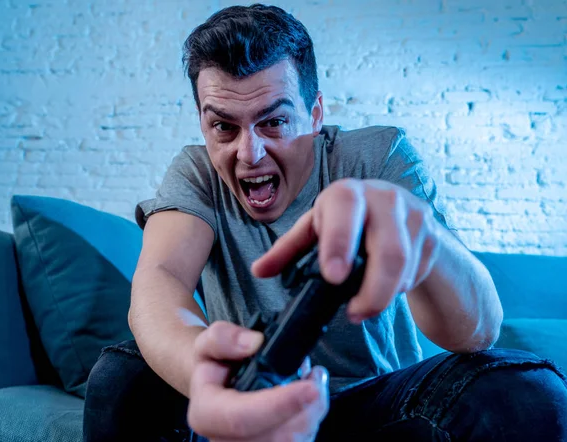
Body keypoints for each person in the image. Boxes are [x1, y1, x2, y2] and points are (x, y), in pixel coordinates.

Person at [83, 4, 567, 441]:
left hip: (376, 410)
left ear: (315, 115)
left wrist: (428, 245)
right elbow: (160, 281)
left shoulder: (378, 156)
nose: (248, 153)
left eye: (273, 122)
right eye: (224, 126)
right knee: (122, 378)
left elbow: (477, 334)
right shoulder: (196, 173)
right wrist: (213, 381)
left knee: (524, 390)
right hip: (245, 405)